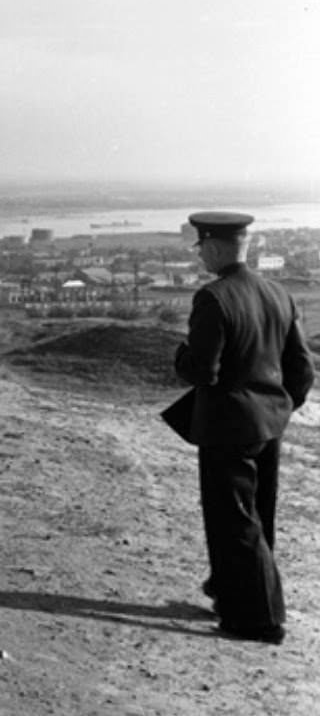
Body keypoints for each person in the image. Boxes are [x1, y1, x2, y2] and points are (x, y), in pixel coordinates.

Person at [170, 211, 314, 645]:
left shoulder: (214, 298)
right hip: (268, 423)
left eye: (201, 248)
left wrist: (180, 355)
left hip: (227, 426)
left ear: (213, 248)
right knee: (257, 515)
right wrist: (279, 407)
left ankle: (260, 619)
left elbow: (202, 371)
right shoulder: (278, 293)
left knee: (233, 519)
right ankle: (230, 592)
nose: (200, 256)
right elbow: (302, 370)